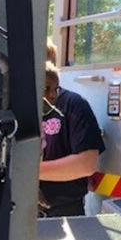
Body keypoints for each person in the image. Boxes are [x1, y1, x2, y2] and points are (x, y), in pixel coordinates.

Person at [38, 60, 105, 217]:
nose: (52, 95)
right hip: (17, 210)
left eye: (55, 88)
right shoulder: (11, 107)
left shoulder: (73, 105)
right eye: (46, 89)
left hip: (62, 210)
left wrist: (28, 171)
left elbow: (86, 165)